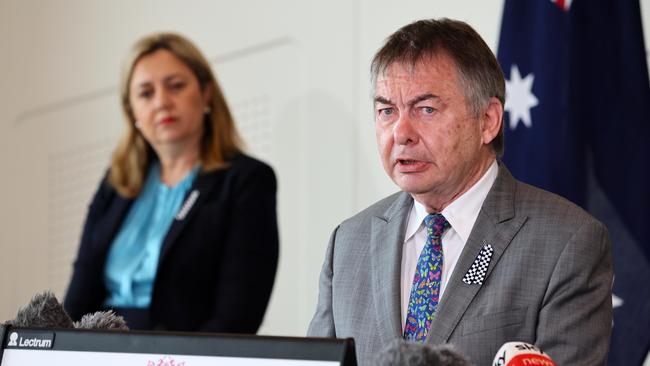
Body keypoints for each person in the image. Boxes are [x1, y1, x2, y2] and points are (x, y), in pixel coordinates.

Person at [307, 19, 612, 365]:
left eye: (426, 109)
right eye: (387, 111)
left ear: (488, 121)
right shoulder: (348, 243)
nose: (401, 132)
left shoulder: (567, 242)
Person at [64, 32, 279, 333]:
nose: (162, 102)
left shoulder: (247, 181)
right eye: (146, 93)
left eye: (176, 86)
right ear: (132, 111)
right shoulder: (116, 184)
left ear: (206, 94)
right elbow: (77, 300)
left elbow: (238, 316)